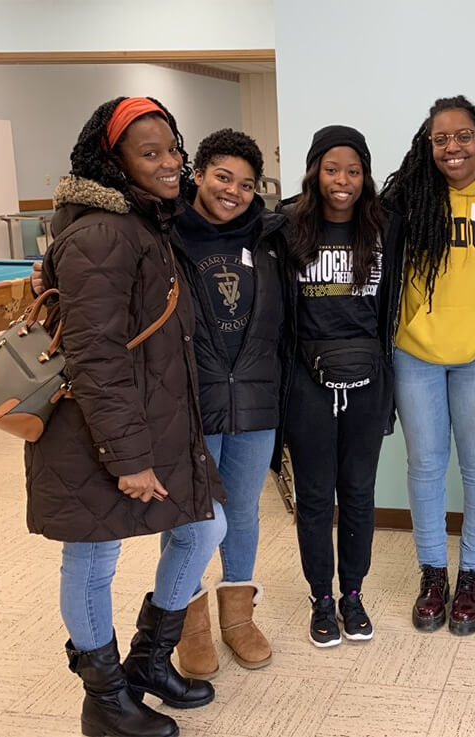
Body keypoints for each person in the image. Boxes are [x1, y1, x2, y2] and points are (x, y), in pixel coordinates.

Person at [29, 96, 226, 737]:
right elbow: (95, 356)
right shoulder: (102, 232)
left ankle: (145, 663)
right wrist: (129, 456)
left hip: (145, 420)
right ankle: (105, 699)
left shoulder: (142, 220)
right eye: (151, 153)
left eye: (173, 148)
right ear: (114, 162)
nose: (171, 162)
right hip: (98, 430)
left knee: (203, 527)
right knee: (93, 557)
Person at [380, 95, 475, 636]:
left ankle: (474, 576)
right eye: (441, 139)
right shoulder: (409, 196)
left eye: (463, 136)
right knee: (425, 467)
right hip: (414, 352)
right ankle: (434, 574)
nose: (452, 148)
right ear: (429, 144)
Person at [280, 125, 402, 647]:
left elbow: (390, 309)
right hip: (307, 383)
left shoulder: (384, 228)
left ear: (365, 175)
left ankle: (352, 593)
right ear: (314, 172)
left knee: (357, 493)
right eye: (332, 169)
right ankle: (321, 598)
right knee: (313, 497)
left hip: (369, 382)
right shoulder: (286, 227)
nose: (343, 180)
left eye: (353, 170)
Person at [169, 129, 284, 678]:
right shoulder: (164, 233)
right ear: (198, 175)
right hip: (190, 400)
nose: (233, 191)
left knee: (241, 511)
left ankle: (238, 620)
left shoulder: (269, 235)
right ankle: (187, 625)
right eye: (222, 177)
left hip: (256, 398)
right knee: (191, 516)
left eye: (245, 183)